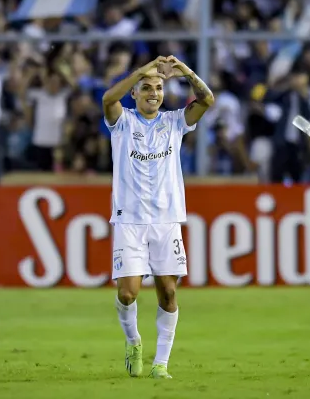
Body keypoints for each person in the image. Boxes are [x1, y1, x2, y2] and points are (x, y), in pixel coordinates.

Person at [102, 55, 214, 379]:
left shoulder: (175, 122)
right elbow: (108, 98)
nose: (154, 92)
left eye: (159, 87)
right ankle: (134, 342)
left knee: (168, 293)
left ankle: (161, 364)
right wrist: (140, 71)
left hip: (166, 221)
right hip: (129, 221)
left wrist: (186, 72)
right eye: (146, 88)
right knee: (128, 293)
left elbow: (207, 99)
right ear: (134, 93)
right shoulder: (122, 122)